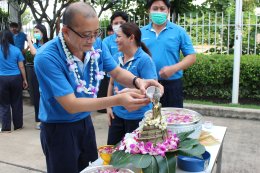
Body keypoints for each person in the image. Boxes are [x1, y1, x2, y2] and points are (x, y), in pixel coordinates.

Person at [34, 2, 163, 173]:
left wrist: (138, 82)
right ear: (66, 31)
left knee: (91, 168)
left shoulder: (96, 46)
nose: (93, 40)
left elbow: (116, 72)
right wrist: (118, 100)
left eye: (96, 33)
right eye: (86, 35)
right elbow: (71, 104)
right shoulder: (46, 57)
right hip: (59, 128)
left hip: (85, 122)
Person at [106, 22, 158, 145]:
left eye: (119, 36)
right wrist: (109, 107)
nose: (116, 40)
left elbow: (153, 92)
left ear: (131, 37)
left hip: (138, 118)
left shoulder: (144, 60)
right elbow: (112, 83)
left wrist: (129, 92)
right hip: (117, 115)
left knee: (135, 157)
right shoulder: (116, 57)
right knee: (112, 152)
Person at [141, 0, 196, 108]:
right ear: (149, 11)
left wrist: (173, 68)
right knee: (149, 120)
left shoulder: (179, 31)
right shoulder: (141, 32)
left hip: (172, 85)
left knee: (173, 119)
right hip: (147, 84)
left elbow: (191, 57)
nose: (159, 12)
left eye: (162, 9)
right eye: (155, 8)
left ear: (168, 11)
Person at [0, 30, 28, 132]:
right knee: (16, 102)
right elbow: (21, 66)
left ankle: (6, 128)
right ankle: (18, 126)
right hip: (16, 78)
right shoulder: (16, 50)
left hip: (2, 79)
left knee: (3, 104)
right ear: (11, 38)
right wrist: (24, 79)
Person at [27, 24, 49, 130]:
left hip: (47, 73)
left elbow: (35, 53)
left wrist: (29, 41)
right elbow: (33, 51)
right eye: (34, 32)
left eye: (37, 32)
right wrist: (30, 42)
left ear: (43, 32)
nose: (36, 34)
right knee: (37, 97)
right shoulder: (35, 45)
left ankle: (48, 118)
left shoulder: (49, 44)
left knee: (47, 96)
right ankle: (39, 120)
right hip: (36, 74)